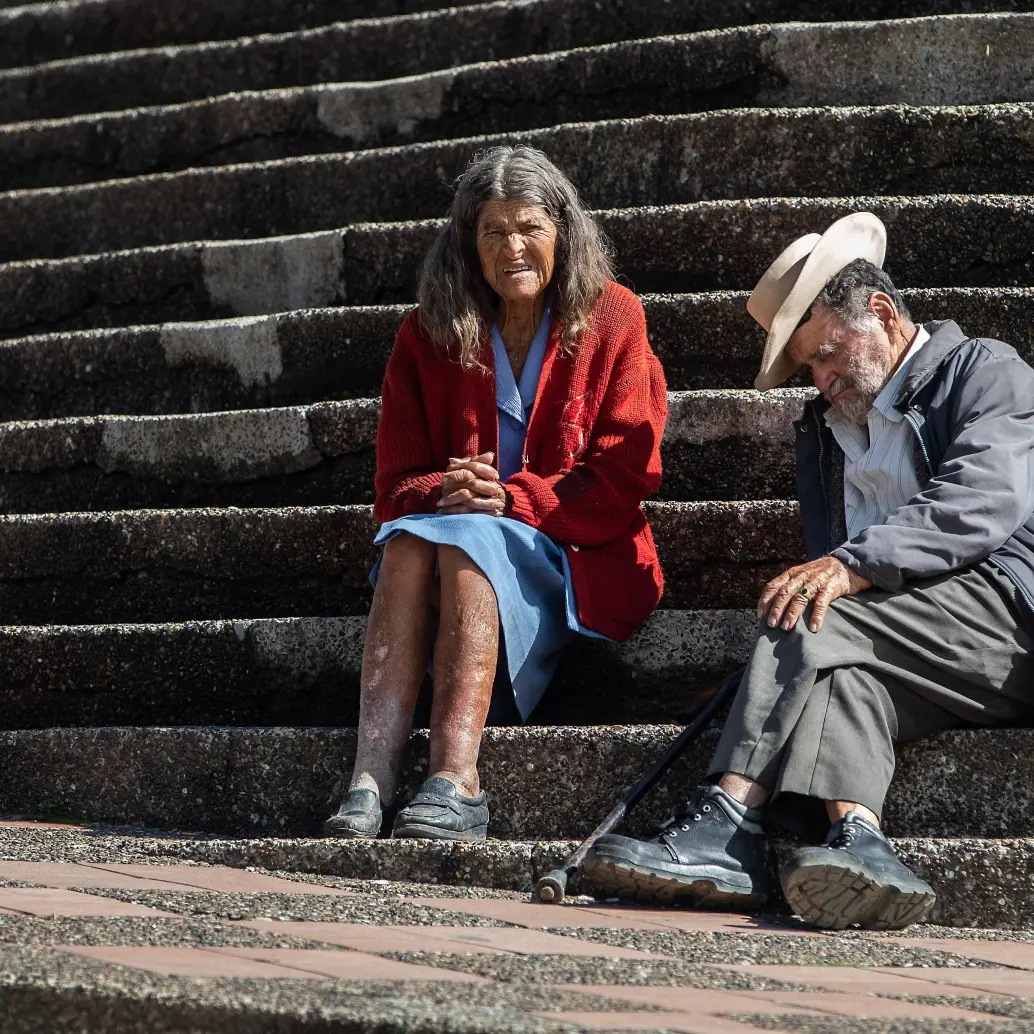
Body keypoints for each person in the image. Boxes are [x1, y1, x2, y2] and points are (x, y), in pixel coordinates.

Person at [582, 212, 1034, 930]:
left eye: (826, 355)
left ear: (882, 313)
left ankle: (725, 821)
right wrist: (777, 669)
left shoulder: (984, 369)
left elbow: (986, 499)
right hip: (912, 641)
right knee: (836, 664)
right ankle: (863, 843)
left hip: (1006, 617)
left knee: (820, 611)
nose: (821, 380)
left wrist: (852, 567)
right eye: (808, 368)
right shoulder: (826, 431)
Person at [324, 145, 668, 842]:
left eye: (530, 229)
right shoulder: (426, 332)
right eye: (493, 232)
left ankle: (456, 777)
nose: (513, 247)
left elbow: (626, 474)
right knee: (409, 536)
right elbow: (395, 486)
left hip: (573, 549)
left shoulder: (615, 317)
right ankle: (370, 777)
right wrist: (451, 488)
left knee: (463, 537)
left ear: (562, 233)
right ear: (468, 245)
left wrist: (513, 500)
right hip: (445, 549)